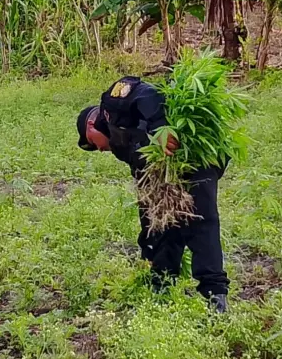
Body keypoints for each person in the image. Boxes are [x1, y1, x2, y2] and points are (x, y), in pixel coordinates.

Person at [77, 76, 230, 312]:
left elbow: (147, 94)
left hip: (193, 157)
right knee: (163, 224)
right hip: (166, 174)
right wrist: (147, 244)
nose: (99, 148)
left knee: (201, 222)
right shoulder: (122, 148)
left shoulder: (112, 104)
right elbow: (146, 196)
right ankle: (161, 285)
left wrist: (161, 130)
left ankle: (215, 297)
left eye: (92, 143)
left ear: (90, 125)